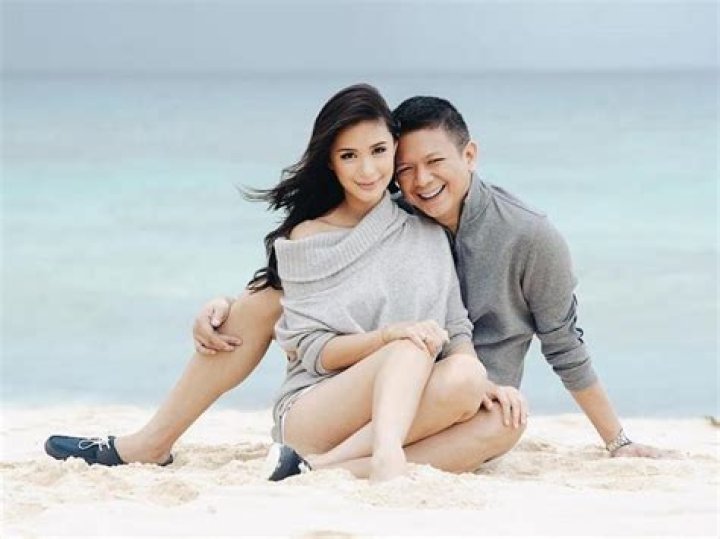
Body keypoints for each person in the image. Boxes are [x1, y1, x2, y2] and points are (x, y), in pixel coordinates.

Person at [44, 85, 526, 478]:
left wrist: (483, 382)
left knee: (496, 411)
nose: (368, 169)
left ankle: (323, 469)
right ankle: (155, 444)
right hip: (321, 409)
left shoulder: (424, 232)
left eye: (380, 152)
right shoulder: (308, 238)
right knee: (409, 346)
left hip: (401, 407)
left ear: (394, 151)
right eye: (349, 155)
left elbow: (455, 329)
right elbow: (312, 348)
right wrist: (388, 338)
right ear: (331, 163)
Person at [194, 95, 665, 460]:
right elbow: (312, 270)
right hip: (380, 385)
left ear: (469, 155)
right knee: (267, 306)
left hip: (469, 400)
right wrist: (229, 303)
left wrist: (617, 440)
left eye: (435, 162)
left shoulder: (529, 236)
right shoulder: (395, 215)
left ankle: (326, 468)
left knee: (505, 423)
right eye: (406, 169)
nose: (422, 181)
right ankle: (164, 441)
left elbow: (564, 345)